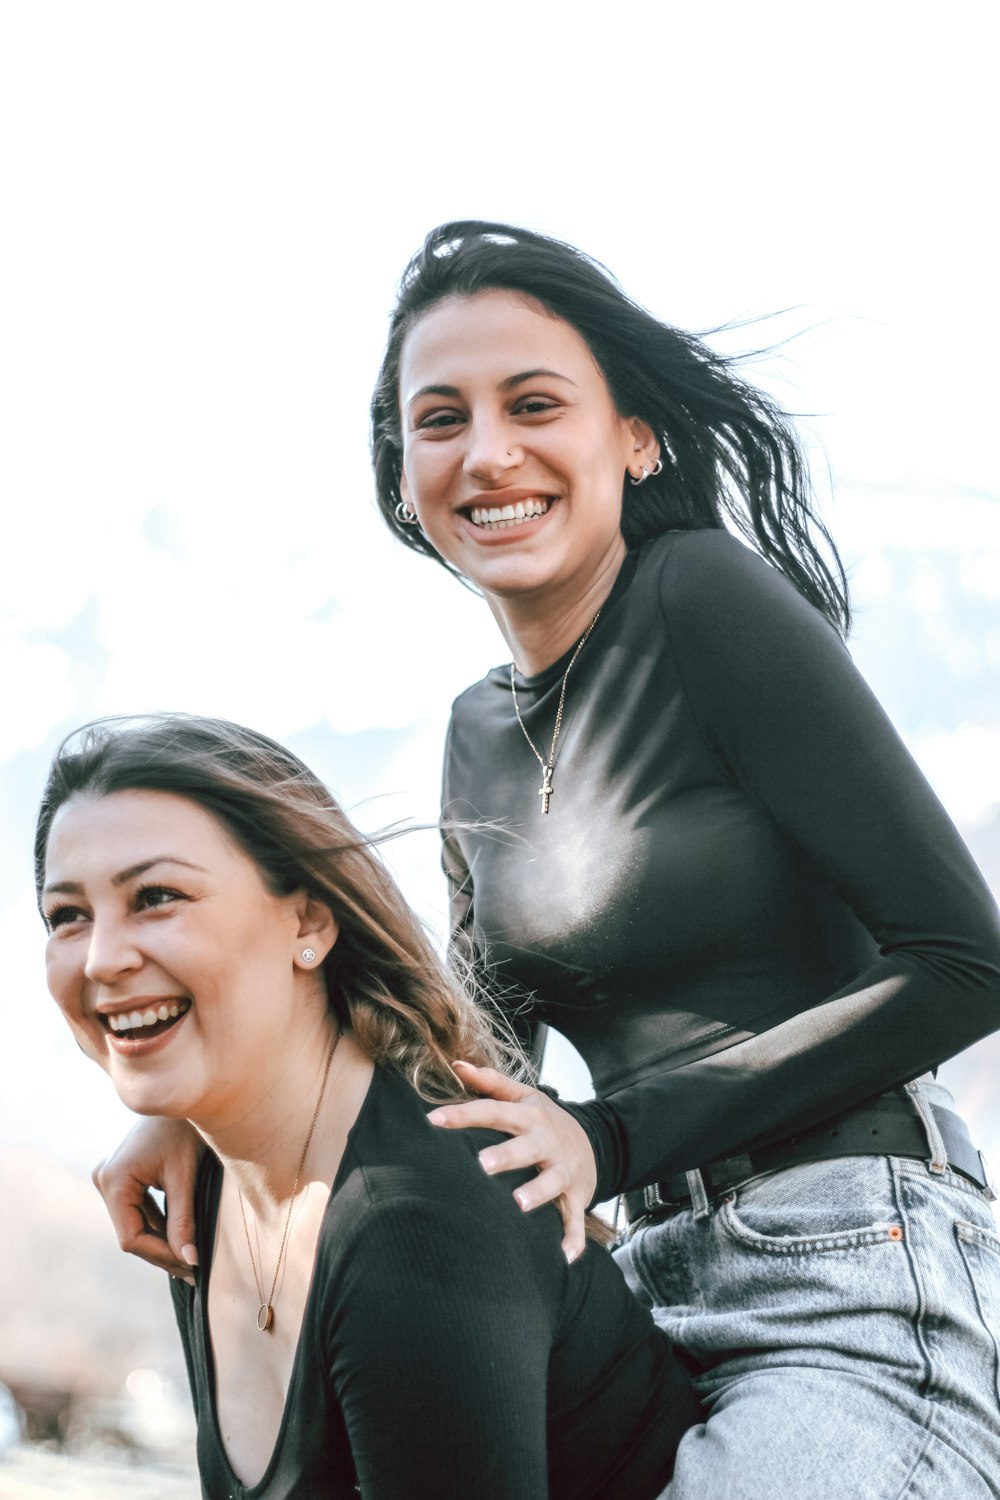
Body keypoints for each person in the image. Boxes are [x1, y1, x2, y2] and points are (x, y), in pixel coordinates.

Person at [96, 223, 1000, 1496]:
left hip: (849, 1260)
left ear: (634, 439)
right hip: (635, 1278)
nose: (488, 452)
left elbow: (966, 962)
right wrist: (221, 1117)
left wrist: (612, 1136)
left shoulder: (704, 599)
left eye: (534, 404)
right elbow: (469, 1060)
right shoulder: (475, 732)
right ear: (402, 471)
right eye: (440, 419)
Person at [37, 714, 699, 1499]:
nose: (104, 958)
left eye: (156, 897)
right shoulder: (204, 1186)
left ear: (310, 921)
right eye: (67, 915)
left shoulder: (409, 1224)